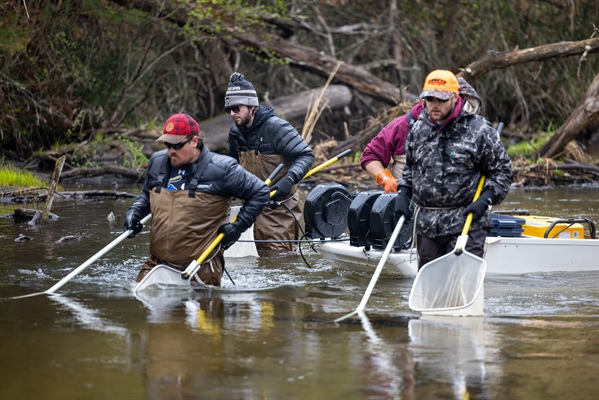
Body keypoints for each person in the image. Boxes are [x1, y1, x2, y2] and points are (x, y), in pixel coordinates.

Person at [124, 113, 270, 286]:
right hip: (157, 264)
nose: (171, 150)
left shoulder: (222, 169)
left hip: (201, 267)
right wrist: (135, 211)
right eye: (167, 144)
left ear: (194, 141)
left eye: (176, 145)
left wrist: (237, 227)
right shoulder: (157, 162)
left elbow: (260, 192)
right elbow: (146, 197)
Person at [394, 70, 512, 268]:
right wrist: (403, 194)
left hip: (466, 223)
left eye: (440, 99)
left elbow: (502, 172)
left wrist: (485, 200)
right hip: (427, 226)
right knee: (431, 288)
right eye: (429, 99)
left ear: (455, 98)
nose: (434, 104)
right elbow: (411, 169)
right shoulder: (418, 130)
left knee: (461, 286)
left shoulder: (479, 130)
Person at [224, 72, 315, 251]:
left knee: (278, 261)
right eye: (228, 110)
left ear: (252, 106)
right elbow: (229, 166)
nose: (232, 114)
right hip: (249, 212)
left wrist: (289, 180)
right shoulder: (235, 133)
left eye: (236, 108)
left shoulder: (277, 127)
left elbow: (306, 155)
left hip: (278, 211)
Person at [361, 78, 482, 193]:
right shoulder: (401, 126)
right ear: (424, 102)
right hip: (408, 203)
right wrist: (386, 179)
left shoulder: (474, 128)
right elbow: (371, 156)